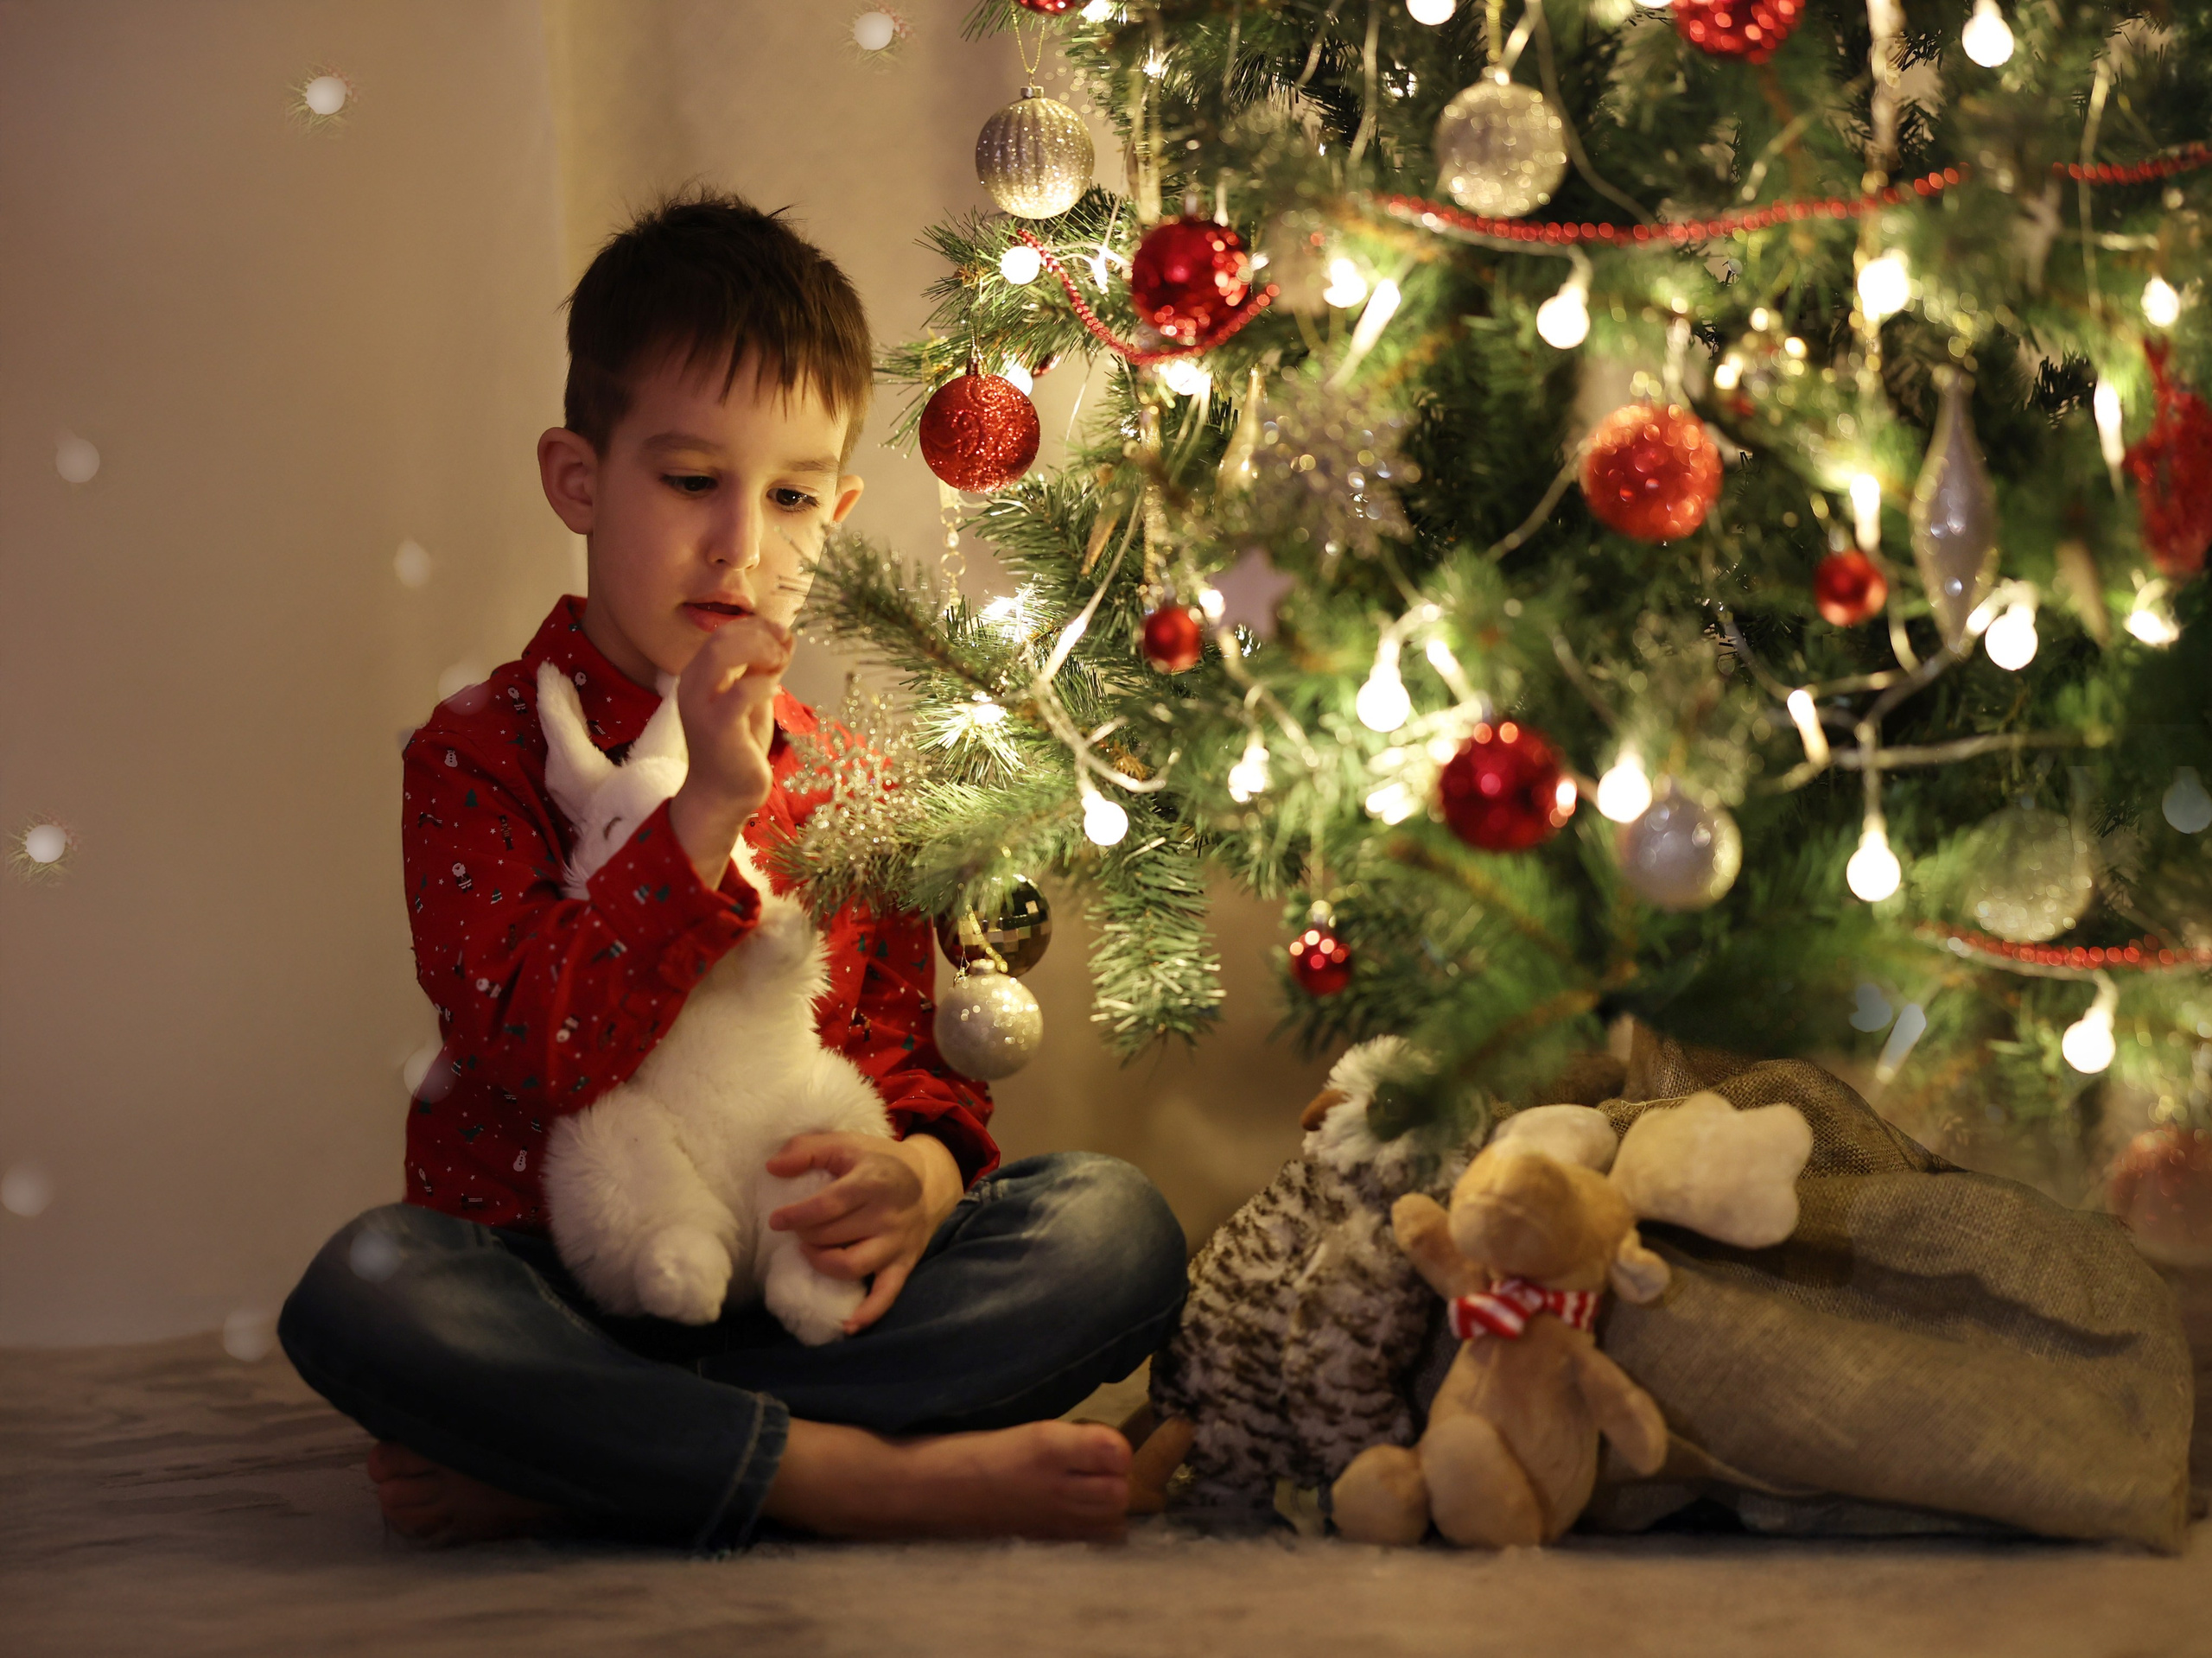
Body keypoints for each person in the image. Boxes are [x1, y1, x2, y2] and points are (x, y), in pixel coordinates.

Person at [277, 190, 1188, 1553]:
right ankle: (839, 1475)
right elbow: (541, 1051)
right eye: (693, 481)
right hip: (552, 1278)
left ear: (842, 508)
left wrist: (922, 1185)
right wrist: (703, 810)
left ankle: (593, 1462)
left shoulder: (850, 780)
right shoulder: (480, 753)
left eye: (793, 495)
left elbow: (906, 1070)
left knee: (1114, 1230)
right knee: (370, 1288)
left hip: (792, 1281)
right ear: (580, 479)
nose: (741, 546)